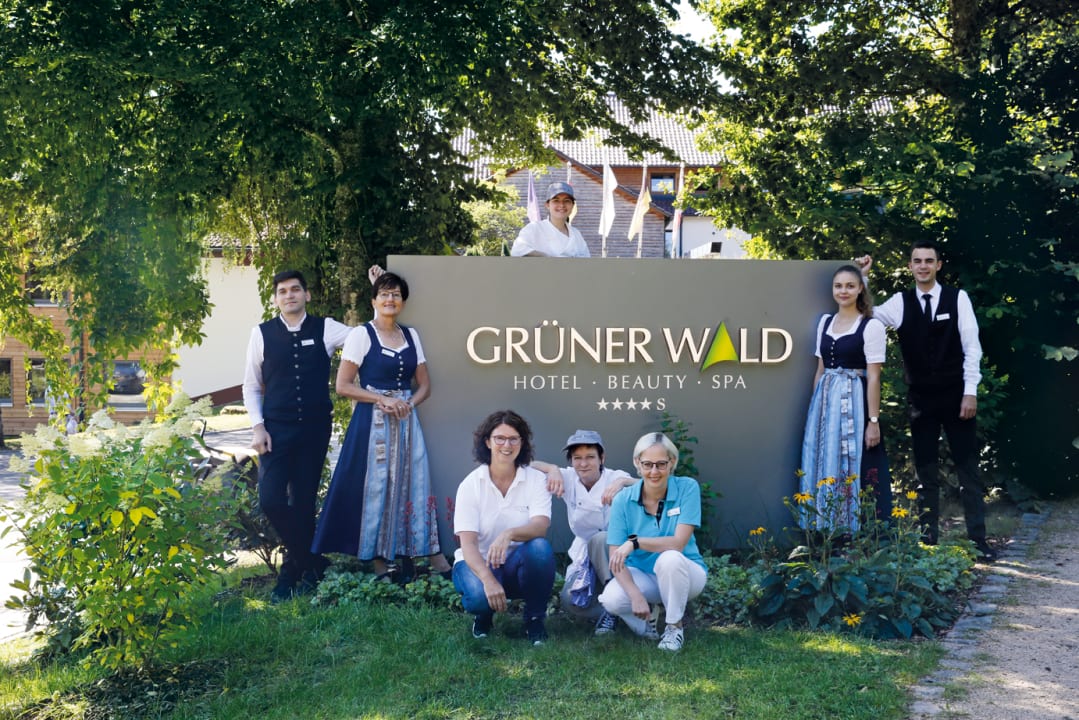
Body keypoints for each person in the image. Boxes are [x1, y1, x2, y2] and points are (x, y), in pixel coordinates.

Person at [857, 241, 995, 559]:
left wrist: (970, 391)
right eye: (917, 261)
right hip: (921, 399)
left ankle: (978, 541)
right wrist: (862, 279)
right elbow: (868, 316)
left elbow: (972, 347)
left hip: (957, 396)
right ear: (909, 266)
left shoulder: (957, 298)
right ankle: (927, 542)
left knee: (968, 471)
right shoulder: (901, 303)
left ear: (938, 265)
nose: (922, 266)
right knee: (925, 472)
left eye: (928, 261)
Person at [311, 271, 452, 580]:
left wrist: (407, 405)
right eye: (385, 294)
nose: (391, 299)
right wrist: (380, 400)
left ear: (402, 302)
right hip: (371, 422)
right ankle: (378, 559)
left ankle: (426, 553)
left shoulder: (411, 336)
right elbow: (343, 385)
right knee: (376, 487)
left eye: (396, 295)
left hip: (405, 420)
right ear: (373, 300)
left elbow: (425, 385)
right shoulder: (361, 335)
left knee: (415, 481)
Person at [242, 269, 352, 602]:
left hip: (315, 429)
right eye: (283, 291)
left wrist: (379, 295)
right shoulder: (261, 334)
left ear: (306, 295)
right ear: (275, 299)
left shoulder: (327, 329)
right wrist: (257, 426)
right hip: (275, 431)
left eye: (295, 290)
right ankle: (311, 561)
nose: (289, 295)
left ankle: (292, 573)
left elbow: (365, 339)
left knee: (303, 502)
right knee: (271, 499)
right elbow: (250, 384)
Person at [799, 265, 891, 531]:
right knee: (823, 457)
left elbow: (874, 377)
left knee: (851, 459)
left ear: (861, 288)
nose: (844, 291)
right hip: (825, 400)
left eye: (850, 285)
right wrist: (815, 409)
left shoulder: (871, 326)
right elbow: (819, 370)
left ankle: (851, 529)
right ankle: (823, 526)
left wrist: (873, 420)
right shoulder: (825, 323)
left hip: (855, 399)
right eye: (838, 286)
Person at [452, 410, 555, 645]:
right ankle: (483, 614)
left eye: (513, 439)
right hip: (477, 562)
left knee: (540, 548)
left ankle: (534, 619)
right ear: (487, 442)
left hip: (518, 563)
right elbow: (467, 546)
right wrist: (488, 580)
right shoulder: (470, 485)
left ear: (522, 443)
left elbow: (540, 526)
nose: (506, 445)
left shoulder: (535, 479)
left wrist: (509, 535)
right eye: (500, 438)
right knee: (478, 597)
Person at [599, 432, 708, 652]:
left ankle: (674, 628)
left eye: (661, 464)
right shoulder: (623, 499)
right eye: (647, 464)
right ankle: (647, 624)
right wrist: (635, 595)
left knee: (669, 558)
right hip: (645, 575)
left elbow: (678, 543)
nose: (654, 471)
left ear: (672, 463)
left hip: (686, 572)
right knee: (611, 599)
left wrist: (635, 542)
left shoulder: (687, 488)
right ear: (636, 463)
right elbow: (615, 557)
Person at [530, 430, 634, 634]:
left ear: (602, 458)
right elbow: (527, 466)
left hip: (616, 551)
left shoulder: (616, 477)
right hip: (584, 552)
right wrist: (552, 469)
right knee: (570, 600)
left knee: (600, 538)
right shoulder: (568, 477)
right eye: (577, 458)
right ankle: (613, 609)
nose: (583, 464)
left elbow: (646, 485)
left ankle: (615, 610)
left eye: (590, 457)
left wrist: (622, 483)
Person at [510, 182, 591, 257]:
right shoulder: (534, 228)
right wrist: (547, 259)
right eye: (556, 200)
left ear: (572, 205)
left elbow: (587, 261)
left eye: (567, 201)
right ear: (547, 205)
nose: (562, 205)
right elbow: (517, 250)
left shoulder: (576, 234)